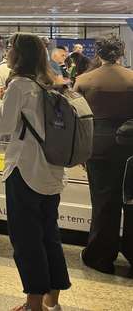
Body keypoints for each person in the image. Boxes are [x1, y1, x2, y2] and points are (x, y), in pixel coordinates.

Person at [0, 33, 70, 311]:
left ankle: (33, 303)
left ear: (18, 55)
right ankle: (52, 299)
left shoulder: (20, 85)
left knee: (26, 239)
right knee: (50, 233)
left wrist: (0, 99)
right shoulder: (53, 83)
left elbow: (1, 125)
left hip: (24, 170)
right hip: (52, 171)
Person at [74, 36, 133, 275]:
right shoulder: (131, 78)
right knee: (131, 200)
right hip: (129, 146)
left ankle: (100, 255)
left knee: (103, 202)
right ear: (122, 53)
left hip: (97, 147)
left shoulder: (84, 80)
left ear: (97, 54)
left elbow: (76, 118)